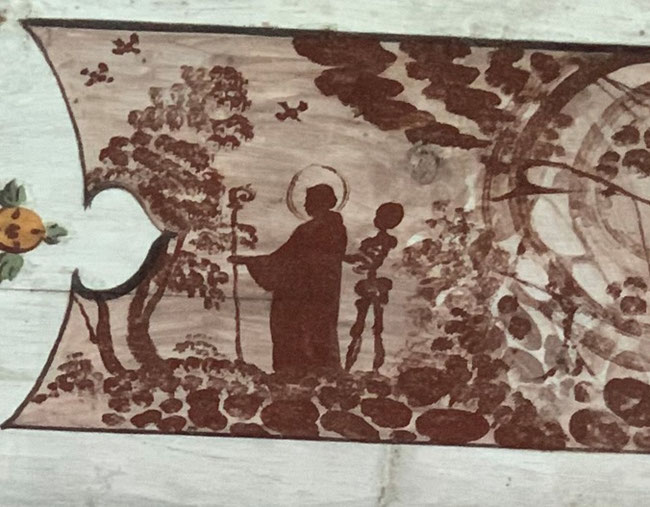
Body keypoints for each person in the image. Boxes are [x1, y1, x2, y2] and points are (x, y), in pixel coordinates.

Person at [229, 184, 347, 373]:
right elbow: (284, 256)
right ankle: (301, 371)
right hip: (309, 291)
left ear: (320, 202)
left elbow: (291, 258)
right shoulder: (320, 229)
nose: (305, 205)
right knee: (304, 330)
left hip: (308, 293)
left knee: (304, 329)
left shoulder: (321, 229)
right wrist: (249, 260)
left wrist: (249, 261)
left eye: (309, 201)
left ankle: (305, 371)